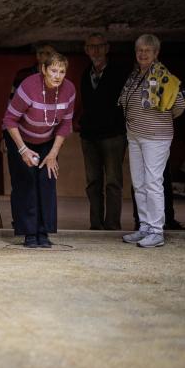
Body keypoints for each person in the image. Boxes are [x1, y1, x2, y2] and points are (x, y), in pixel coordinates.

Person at [119, 34, 185, 248]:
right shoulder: (135, 75)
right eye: (140, 50)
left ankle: (157, 231)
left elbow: (180, 105)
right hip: (135, 135)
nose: (142, 54)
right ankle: (145, 227)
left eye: (147, 50)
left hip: (156, 137)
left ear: (156, 53)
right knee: (139, 183)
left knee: (152, 182)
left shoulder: (164, 76)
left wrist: (158, 120)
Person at [3, 47, 75, 248]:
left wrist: (53, 154)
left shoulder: (69, 90)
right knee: (26, 181)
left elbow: (66, 124)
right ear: (44, 69)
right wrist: (23, 150)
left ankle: (43, 232)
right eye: (53, 70)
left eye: (62, 71)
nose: (57, 76)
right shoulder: (29, 86)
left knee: (46, 179)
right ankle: (29, 234)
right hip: (20, 137)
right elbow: (9, 120)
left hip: (47, 139)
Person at [79, 33, 127, 231]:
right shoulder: (85, 74)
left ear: (107, 48)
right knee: (93, 183)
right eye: (92, 46)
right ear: (86, 50)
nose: (96, 50)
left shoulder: (119, 72)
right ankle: (96, 225)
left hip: (113, 135)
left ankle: (112, 225)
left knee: (113, 182)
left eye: (100, 46)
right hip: (89, 136)